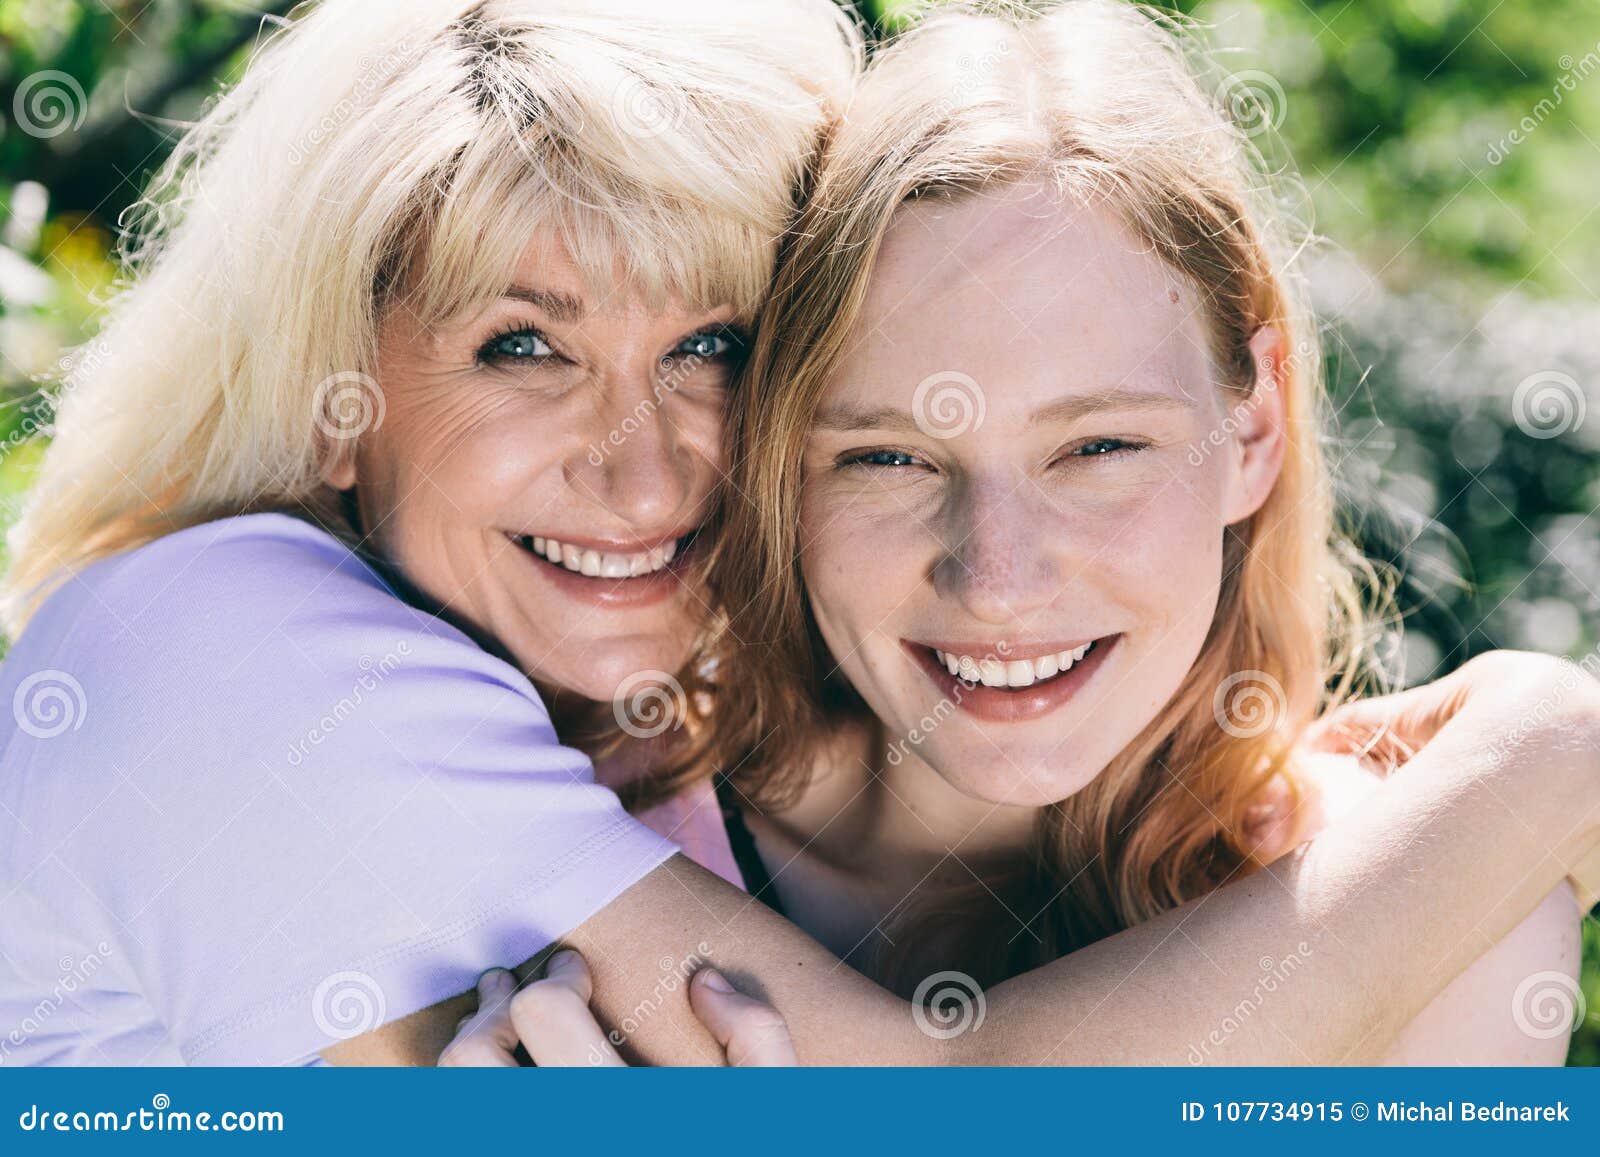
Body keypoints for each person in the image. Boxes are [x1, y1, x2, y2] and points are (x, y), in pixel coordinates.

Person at [0, 0, 1593, 1069]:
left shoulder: (657, 799)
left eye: (716, 347)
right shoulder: (229, 653)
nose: (639, 477)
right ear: (338, 389)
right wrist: (1538, 756)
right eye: (522, 345)